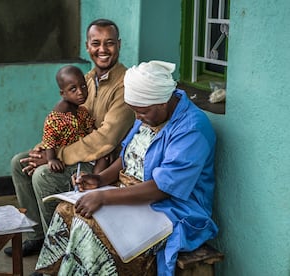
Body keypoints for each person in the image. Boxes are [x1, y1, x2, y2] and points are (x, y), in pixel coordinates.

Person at [34, 60, 219, 276]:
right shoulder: (150, 112)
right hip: (130, 193)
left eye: (142, 112)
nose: (138, 118)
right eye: (135, 112)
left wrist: (103, 198)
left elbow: (163, 188)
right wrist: (101, 180)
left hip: (170, 208)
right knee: (66, 211)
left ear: (162, 102)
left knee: (92, 228)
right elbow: (128, 155)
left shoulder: (192, 130)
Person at [4, 18, 135, 258]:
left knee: (44, 175)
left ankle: (59, 253)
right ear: (87, 46)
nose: (102, 49)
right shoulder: (85, 79)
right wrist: (41, 150)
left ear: (119, 45)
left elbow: (106, 138)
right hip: (77, 149)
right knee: (20, 163)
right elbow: (60, 120)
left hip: (104, 159)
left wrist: (54, 156)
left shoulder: (126, 84)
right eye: (96, 43)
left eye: (109, 43)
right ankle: (38, 236)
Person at [42, 65, 108, 174]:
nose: (80, 92)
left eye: (83, 86)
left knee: (104, 156)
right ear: (63, 94)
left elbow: (92, 130)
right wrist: (51, 159)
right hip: (67, 156)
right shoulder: (56, 118)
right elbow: (49, 141)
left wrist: (102, 145)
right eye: (73, 89)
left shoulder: (82, 111)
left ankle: (96, 181)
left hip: (84, 152)